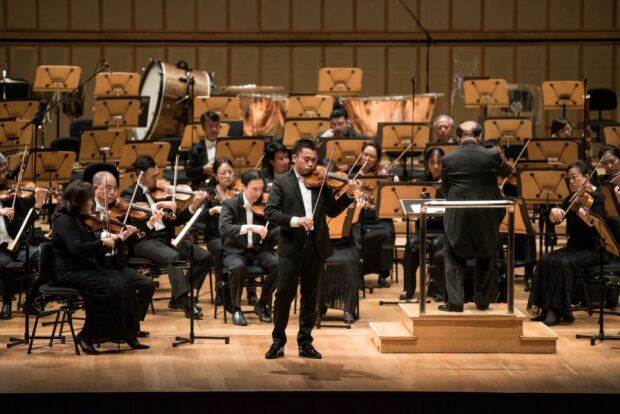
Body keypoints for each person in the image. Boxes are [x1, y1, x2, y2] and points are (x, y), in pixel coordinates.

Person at [263, 138, 359, 359]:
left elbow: (333, 211)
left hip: (316, 246)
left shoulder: (321, 181)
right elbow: (270, 213)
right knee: (284, 295)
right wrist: (296, 220)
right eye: (306, 159)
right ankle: (278, 341)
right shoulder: (281, 181)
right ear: (294, 158)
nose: (311, 164)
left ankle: (305, 341)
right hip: (291, 246)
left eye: (314, 160)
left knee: (310, 296)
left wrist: (349, 194)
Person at [51, 180, 148, 354]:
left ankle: (127, 333)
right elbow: (76, 249)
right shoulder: (64, 221)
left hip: (85, 268)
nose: (91, 202)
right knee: (112, 286)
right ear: (77, 201)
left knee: (126, 281)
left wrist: (119, 239)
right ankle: (86, 336)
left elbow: (94, 252)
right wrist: (102, 242)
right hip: (68, 272)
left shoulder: (80, 220)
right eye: (89, 199)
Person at [121, 155, 212, 319]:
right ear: (140, 175)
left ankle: (177, 296)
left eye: (157, 173)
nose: (157, 179)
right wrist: (158, 205)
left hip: (166, 240)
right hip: (144, 241)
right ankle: (185, 301)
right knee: (173, 256)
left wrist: (193, 205)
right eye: (153, 176)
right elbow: (136, 227)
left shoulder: (162, 192)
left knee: (204, 257)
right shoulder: (129, 194)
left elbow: (176, 221)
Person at [440, 121, 512, 312]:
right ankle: (482, 301)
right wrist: (500, 157)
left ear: (458, 137)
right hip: (486, 214)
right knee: (486, 256)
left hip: (458, 214)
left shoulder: (448, 158)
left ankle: (455, 302)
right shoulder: (491, 155)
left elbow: (445, 189)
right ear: (479, 136)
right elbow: (508, 172)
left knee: (454, 258)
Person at [528, 160, 605, 326]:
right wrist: (553, 212)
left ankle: (556, 311)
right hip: (574, 248)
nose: (571, 181)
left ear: (586, 177)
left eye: (574, 177)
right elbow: (556, 218)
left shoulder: (598, 197)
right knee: (545, 260)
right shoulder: (573, 198)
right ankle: (545, 308)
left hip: (593, 250)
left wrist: (587, 218)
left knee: (563, 263)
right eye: (568, 178)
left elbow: (600, 229)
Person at [91, 170, 155, 334]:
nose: (112, 192)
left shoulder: (120, 212)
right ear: (95, 188)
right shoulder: (87, 210)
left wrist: (147, 226)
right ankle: (116, 328)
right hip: (96, 265)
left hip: (116, 263)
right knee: (121, 287)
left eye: (115, 188)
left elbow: (133, 241)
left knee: (147, 285)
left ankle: (131, 325)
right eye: (108, 188)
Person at [219, 169, 278, 326]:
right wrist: (250, 227)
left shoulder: (266, 206)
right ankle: (237, 308)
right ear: (243, 187)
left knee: (278, 265)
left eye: (261, 189)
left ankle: (262, 304)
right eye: (254, 189)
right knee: (237, 266)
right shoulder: (230, 204)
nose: (258, 193)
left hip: (259, 251)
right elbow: (224, 228)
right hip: (235, 252)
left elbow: (272, 231)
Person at [0, 153, 47, 319]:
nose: (3, 177)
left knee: (44, 257)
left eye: (4, 172)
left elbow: (23, 224)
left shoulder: (10, 197)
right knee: (4, 264)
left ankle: (32, 301)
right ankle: (6, 302)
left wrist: (38, 205)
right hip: (0, 250)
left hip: (14, 245)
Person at [402, 147, 446, 301]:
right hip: (423, 229)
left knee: (437, 246)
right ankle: (409, 288)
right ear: (426, 164)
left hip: (444, 230)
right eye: (432, 162)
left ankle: (436, 288)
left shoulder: (451, 182)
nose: (435, 166)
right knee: (410, 248)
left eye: (439, 162)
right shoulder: (419, 183)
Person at [351, 142, 394, 288]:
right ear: (360, 155)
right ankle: (359, 274)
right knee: (358, 235)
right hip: (359, 217)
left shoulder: (381, 177)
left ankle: (382, 274)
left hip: (378, 218)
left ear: (377, 160)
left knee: (386, 233)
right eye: (366, 155)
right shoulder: (352, 176)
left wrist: (390, 181)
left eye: (373, 156)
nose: (368, 159)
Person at [201, 157, 242, 304]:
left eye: (230, 172)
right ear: (215, 176)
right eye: (223, 173)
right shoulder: (210, 193)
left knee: (250, 247)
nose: (228, 176)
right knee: (222, 249)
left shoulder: (240, 191)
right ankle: (222, 290)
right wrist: (211, 211)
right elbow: (200, 218)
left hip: (237, 236)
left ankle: (250, 292)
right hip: (215, 237)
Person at [185, 111, 221, 187]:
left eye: (217, 125)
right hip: (202, 186)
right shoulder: (195, 149)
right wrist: (203, 169)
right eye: (211, 126)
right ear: (203, 128)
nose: (214, 129)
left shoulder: (225, 145)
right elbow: (188, 172)